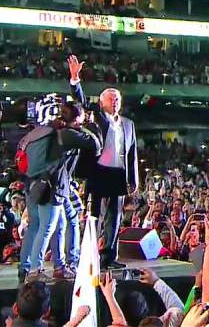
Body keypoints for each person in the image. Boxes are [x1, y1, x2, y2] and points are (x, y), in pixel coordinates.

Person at [68, 54, 139, 269]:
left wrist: (133, 178)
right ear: (102, 102)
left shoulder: (128, 124)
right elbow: (79, 102)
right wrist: (75, 79)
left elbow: (132, 153)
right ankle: (90, 255)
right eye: (111, 99)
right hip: (99, 171)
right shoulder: (97, 117)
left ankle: (109, 256)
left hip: (118, 173)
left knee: (115, 217)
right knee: (94, 216)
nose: (115, 102)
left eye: (117, 99)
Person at [26, 101, 101, 280]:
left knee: (62, 225)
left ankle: (60, 266)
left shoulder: (54, 129)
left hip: (49, 184)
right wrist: (88, 125)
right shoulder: (68, 134)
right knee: (47, 228)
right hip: (54, 186)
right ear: (76, 118)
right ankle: (35, 269)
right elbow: (95, 145)